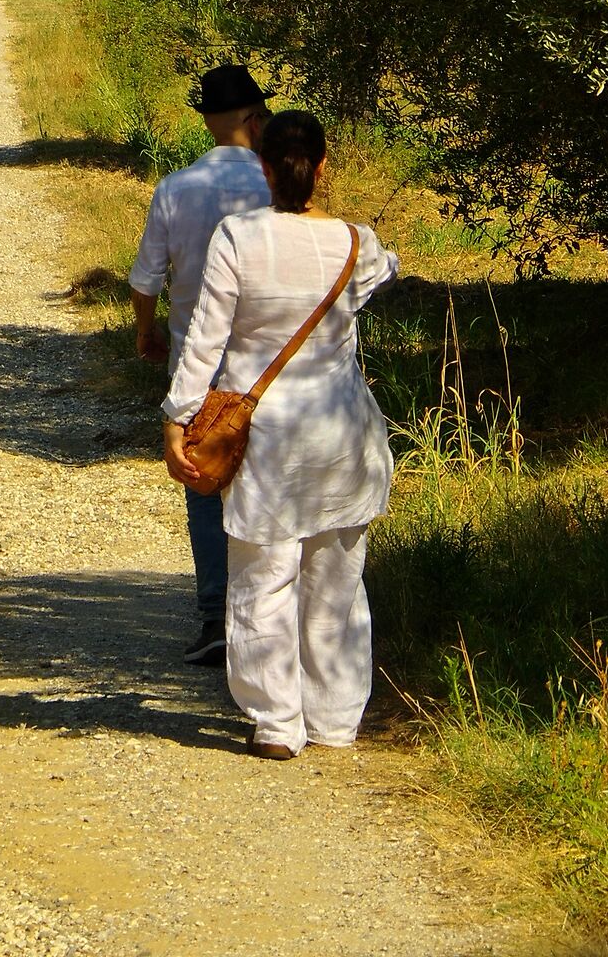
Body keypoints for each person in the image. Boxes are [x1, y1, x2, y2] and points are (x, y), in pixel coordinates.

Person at [161, 109, 399, 760]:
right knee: (338, 584)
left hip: (265, 439)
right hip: (343, 436)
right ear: (322, 168)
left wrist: (179, 417)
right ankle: (335, 721)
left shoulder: (237, 239)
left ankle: (275, 723)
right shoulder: (358, 243)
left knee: (264, 575)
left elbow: (205, 338)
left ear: (264, 167)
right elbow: (385, 272)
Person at [128, 63, 271, 665]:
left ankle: (216, 616)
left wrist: (145, 328)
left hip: (199, 363)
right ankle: (265, 620)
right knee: (267, 487)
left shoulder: (175, 188)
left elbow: (145, 279)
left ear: (209, 121)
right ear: (254, 118)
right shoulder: (276, 186)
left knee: (204, 482)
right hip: (268, 368)